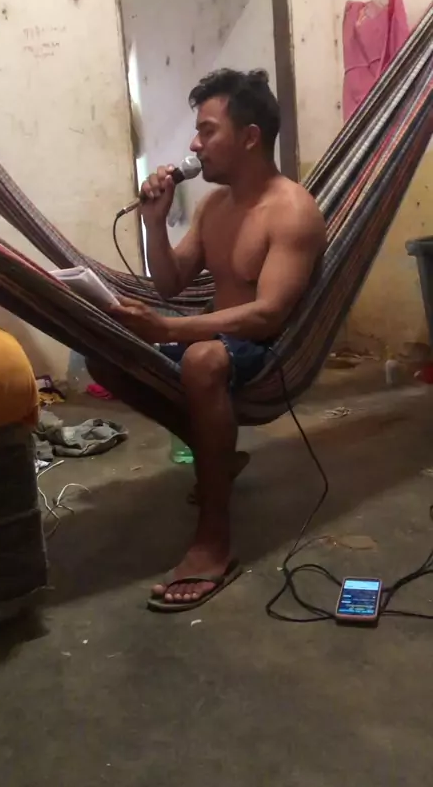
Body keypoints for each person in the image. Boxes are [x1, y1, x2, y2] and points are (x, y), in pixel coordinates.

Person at [109, 68, 326, 611]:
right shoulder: (214, 207)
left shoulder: (292, 210)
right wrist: (154, 224)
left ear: (249, 137)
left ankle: (214, 539)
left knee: (202, 359)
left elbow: (268, 315)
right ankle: (218, 459)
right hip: (216, 337)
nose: (193, 144)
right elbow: (169, 284)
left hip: (264, 350)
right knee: (108, 354)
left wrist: (170, 328)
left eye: (206, 131)